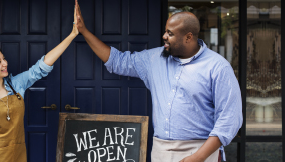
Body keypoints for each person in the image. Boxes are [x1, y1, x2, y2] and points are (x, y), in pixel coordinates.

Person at [74, 0, 242, 161]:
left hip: (200, 151)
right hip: (161, 150)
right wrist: (84, 31)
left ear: (188, 37)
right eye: (165, 31)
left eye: (170, 33)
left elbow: (229, 120)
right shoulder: (154, 59)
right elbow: (118, 61)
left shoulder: (218, 67)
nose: (164, 36)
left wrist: (198, 157)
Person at [0, 7, 79, 162]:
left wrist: (72, 35)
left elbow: (41, 67)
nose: (5, 63)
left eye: (4, 59)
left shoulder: (16, 84)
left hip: (16, 155)